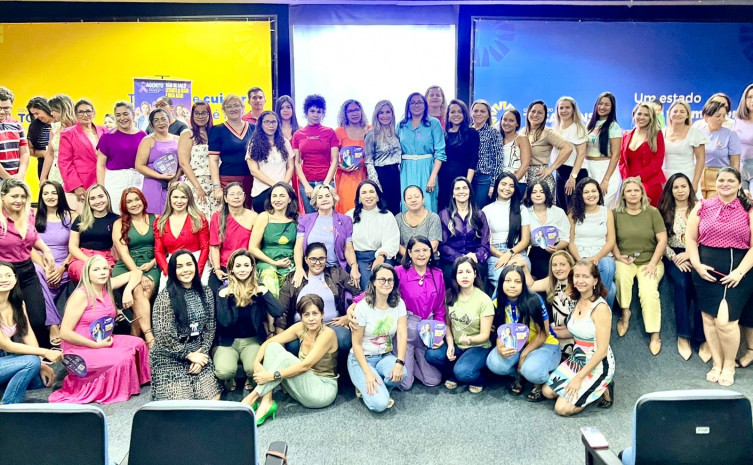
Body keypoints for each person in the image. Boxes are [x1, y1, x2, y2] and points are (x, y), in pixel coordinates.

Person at [49, 255, 151, 404]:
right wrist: (95, 345)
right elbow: (64, 333)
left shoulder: (107, 285)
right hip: (80, 348)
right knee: (124, 357)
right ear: (87, 273)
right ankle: (116, 388)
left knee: (138, 344)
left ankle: (133, 382)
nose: (102, 272)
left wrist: (128, 291)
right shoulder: (80, 295)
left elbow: (136, 273)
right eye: (96, 269)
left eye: (105, 268)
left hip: (102, 339)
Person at [687, 167, 753, 387]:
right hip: (705, 270)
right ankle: (717, 363)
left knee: (725, 321)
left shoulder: (748, 209)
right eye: (721, 180)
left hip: (737, 271)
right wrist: (697, 265)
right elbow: (691, 239)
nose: (725, 184)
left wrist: (739, 272)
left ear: (739, 184)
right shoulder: (702, 206)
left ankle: (729, 365)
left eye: (730, 180)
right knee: (709, 318)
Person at [241, 294, 338, 425]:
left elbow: (306, 365)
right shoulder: (301, 328)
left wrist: (271, 376)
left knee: (286, 358)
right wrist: (256, 362)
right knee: (273, 347)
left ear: (322, 314)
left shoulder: (328, 334)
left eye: (315, 313)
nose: (311, 319)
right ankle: (266, 401)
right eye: (306, 315)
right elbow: (269, 342)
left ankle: (252, 397)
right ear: (301, 317)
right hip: (303, 385)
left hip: (322, 390)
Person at [543, 260, 615, 416]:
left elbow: (602, 351)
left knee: (561, 408)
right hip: (578, 358)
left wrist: (578, 378)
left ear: (595, 280)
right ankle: (588, 389)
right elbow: (576, 331)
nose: (580, 280)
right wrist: (547, 332)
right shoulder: (576, 300)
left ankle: (604, 385)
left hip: (598, 363)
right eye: (577, 276)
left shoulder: (600, 308)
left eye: (585, 276)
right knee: (547, 392)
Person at [150, 250, 221, 400]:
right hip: (169, 356)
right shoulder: (165, 297)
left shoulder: (206, 292)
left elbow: (210, 327)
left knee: (213, 401)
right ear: (173, 270)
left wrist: (202, 355)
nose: (185, 270)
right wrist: (189, 355)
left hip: (198, 350)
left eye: (189, 264)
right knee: (182, 404)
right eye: (179, 266)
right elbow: (163, 336)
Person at [486, 265, 561, 401]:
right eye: (508, 281)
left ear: (523, 284)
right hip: (517, 343)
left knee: (532, 371)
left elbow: (543, 334)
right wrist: (500, 346)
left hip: (544, 344)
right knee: (494, 362)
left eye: (517, 281)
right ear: (501, 283)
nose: (512, 285)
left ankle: (540, 381)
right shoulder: (497, 301)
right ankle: (519, 375)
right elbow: (499, 329)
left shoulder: (534, 300)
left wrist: (523, 355)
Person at [214, 249, 284, 393]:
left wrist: (264, 292)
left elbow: (278, 312)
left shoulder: (258, 290)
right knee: (225, 371)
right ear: (231, 269)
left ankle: (250, 378)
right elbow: (224, 322)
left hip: (252, 341)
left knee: (254, 369)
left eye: (246, 265)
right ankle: (230, 379)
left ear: (252, 267)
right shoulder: (223, 291)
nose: (242, 269)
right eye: (238, 266)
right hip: (228, 342)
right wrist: (223, 298)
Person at [612, 178, 667, 355]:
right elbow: (611, 239)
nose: (633, 194)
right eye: (629, 191)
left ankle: (654, 334)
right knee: (621, 276)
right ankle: (625, 313)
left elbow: (662, 240)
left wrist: (653, 263)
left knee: (648, 291)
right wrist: (618, 255)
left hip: (650, 261)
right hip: (625, 260)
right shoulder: (615, 214)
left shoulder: (652, 212)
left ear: (642, 193)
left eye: (636, 190)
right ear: (623, 195)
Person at [277, 243, 360, 360]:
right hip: (302, 326)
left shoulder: (336, 273)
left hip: (331, 325)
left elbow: (361, 295)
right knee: (292, 345)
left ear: (326, 259)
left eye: (321, 258)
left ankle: (337, 370)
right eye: (313, 259)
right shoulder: (294, 278)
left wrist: (348, 316)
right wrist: (280, 343)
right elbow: (282, 311)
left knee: (344, 339)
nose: (317, 262)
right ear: (306, 259)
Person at [0, 179, 56, 345]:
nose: (20, 200)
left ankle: (42, 355)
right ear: (2, 196)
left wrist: (46, 250)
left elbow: (33, 236)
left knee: (38, 319)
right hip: (4, 274)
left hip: (27, 271)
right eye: (14, 196)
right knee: (7, 323)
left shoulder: (28, 213)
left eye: (23, 196)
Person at [658, 173, 707, 361]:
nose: (680, 191)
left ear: (690, 188)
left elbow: (707, 235)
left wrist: (691, 254)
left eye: (683, 186)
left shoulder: (701, 208)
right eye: (676, 187)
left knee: (700, 284)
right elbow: (660, 240)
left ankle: (702, 338)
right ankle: (684, 335)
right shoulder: (663, 211)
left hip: (698, 253)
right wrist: (675, 257)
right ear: (670, 190)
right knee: (682, 284)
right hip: (674, 256)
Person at [426, 257, 494, 393]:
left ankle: (479, 378)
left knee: (463, 372)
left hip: (478, 346)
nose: (464, 276)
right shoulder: (449, 295)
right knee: (431, 355)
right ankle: (454, 373)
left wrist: (469, 339)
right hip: (457, 345)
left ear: (475, 274)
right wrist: (450, 344)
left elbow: (485, 335)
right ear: (455, 276)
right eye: (460, 272)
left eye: (468, 272)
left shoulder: (484, 300)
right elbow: (448, 325)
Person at [348, 263, 408, 412]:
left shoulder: (399, 304)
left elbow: (402, 334)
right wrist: (368, 373)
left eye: (390, 280)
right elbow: (356, 344)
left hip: (385, 356)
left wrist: (399, 362)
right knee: (380, 405)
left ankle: (378, 389)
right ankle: (371, 387)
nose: (386, 283)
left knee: (402, 373)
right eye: (382, 279)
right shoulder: (362, 307)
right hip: (361, 359)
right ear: (374, 282)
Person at [0, 261, 61, 403]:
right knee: (30, 363)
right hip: (4, 357)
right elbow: (6, 345)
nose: (4, 279)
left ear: (15, 278)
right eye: (0, 276)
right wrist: (44, 353)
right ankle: (9, 405)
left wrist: (40, 364)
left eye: (8, 275)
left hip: (4, 360)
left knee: (38, 380)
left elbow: (27, 334)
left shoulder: (17, 303)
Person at [111, 188, 160, 338]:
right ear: (124, 205)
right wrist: (138, 274)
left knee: (144, 292)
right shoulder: (119, 223)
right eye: (129, 201)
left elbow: (163, 248)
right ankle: (149, 337)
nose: (134, 204)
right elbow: (123, 253)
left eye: (137, 199)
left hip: (152, 264)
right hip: (128, 265)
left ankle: (134, 339)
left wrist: (152, 264)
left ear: (143, 200)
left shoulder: (156, 219)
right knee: (138, 289)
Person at [292, 184, 359, 287]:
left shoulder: (345, 220)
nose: (324, 199)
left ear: (333, 198)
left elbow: (348, 249)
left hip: (335, 270)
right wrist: (299, 268)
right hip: (311, 269)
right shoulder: (305, 220)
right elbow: (298, 247)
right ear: (315, 202)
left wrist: (354, 267)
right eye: (320, 197)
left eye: (327, 196)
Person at [33, 180, 75, 346]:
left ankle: (50, 324)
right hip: (40, 263)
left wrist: (61, 268)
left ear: (60, 195)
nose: (50, 196)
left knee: (43, 285)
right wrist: (46, 268)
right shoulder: (33, 216)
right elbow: (29, 247)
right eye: (46, 193)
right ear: (41, 196)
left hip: (64, 263)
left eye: (54, 193)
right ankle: (53, 324)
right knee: (37, 272)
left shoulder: (71, 216)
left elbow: (75, 247)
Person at [568, 177, 616, 306]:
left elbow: (611, 241)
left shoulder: (607, 212)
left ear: (599, 193)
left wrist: (597, 257)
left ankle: (595, 307)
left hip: (602, 254)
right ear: (580, 195)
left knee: (608, 266)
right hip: (580, 255)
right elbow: (570, 242)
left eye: (594, 191)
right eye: (586, 192)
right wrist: (580, 260)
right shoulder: (572, 214)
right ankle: (596, 308)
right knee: (612, 289)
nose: (591, 195)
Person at [397, 92, 446, 213]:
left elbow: (440, 152)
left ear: (425, 105)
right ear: (408, 105)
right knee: (408, 200)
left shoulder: (433, 123)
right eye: (412, 103)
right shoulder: (401, 125)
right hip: (406, 169)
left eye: (419, 102)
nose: (416, 105)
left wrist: (432, 177)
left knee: (427, 202)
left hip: (427, 168)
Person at [346, 180, 400, 289]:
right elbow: (347, 245)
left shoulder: (387, 216)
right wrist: (354, 266)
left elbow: (391, 242)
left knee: (383, 283)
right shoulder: (350, 216)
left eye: (371, 192)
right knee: (367, 286)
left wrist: (380, 258)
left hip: (383, 256)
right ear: (359, 198)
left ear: (378, 196)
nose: (368, 196)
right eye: (364, 193)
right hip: (359, 259)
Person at [482, 172, 531, 291]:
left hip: (516, 251)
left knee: (521, 281)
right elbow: (485, 243)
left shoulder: (522, 210)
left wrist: (510, 254)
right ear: (497, 185)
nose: (507, 188)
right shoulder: (487, 210)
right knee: (504, 281)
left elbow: (525, 240)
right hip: (495, 253)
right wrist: (503, 256)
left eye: (511, 185)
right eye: (503, 184)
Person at [153, 183, 210, 285]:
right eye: (175, 197)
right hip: (172, 265)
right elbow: (158, 251)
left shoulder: (199, 218)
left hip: (197, 262)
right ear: (169, 199)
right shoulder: (160, 221)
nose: (179, 201)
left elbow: (205, 248)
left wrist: (197, 272)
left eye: (183, 197)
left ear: (189, 199)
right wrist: (168, 271)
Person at [96, 101, 147, 214]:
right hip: (115, 181)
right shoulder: (107, 137)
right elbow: (100, 165)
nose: (122, 118)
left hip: (138, 179)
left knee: (138, 212)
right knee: (116, 213)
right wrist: (101, 189)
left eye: (125, 114)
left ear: (133, 115)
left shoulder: (143, 136)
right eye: (118, 115)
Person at [249, 182, 298, 298]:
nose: (277, 199)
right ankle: (273, 310)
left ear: (290, 199)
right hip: (267, 263)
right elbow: (252, 248)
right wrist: (274, 263)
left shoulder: (297, 219)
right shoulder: (264, 217)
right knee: (270, 278)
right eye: (274, 196)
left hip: (290, 263)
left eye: (282, 196)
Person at [439, 177, 490, 284]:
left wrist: (476, 256)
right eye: (457, 189)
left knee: (477, 276)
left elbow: (485, 244)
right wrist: (460, 258)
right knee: (451, 275)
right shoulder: (444, 215)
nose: (461, 191)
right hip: (451, 261)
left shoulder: (480, 215)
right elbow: (443, 246)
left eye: (465, 188)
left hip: (475, 260)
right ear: (453, 194)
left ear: (470, 192)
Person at [293, 94, 339, 214]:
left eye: (319, 111)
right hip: (307, 184)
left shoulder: (330, 132)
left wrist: (326, 184)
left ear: (323, 113)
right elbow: (296, 163)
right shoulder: (298, 134)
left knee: (328, 217)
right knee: (311, 219)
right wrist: (306, 185)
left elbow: (335, 160)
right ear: (306, 112)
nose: (315, 114)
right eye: (312, 111)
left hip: (326, 181)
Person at [526, 250, 577, 357]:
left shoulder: (578, 285)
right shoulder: (553, 281)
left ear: (571, 266)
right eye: (554, 265)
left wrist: (551, 332)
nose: (558, 268)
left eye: (562, 264)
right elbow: (531, 287)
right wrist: (525, 268)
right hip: (555, 332)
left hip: (574, 336)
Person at [208, 182, 256, 294]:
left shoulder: (254, 217)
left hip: (246, 266)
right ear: (225, 198)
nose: (236, 197)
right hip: (225, 266)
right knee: (213, 292)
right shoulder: (217, 217)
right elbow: (214, 246)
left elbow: (256, 246)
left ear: (244, 196)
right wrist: (217, 269)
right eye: (232, 194)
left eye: (239, 194)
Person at [57, 99, 106, 208]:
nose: (85, 114)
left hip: (104, 182)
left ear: (94, 113)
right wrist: (76, 186)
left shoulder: (104, 131)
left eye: (88, 111)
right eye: (81, 112)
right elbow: (64, 162)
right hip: (82, 185)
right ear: (75, 114)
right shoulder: (68, 133)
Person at [66, 184, 119, 283]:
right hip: (82, 258)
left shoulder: (116, 219)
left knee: (105, 274)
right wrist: (90, 261)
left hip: (105, 258)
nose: (98, 201)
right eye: (92, 198)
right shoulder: (80, 219)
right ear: (88, 201)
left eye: (101, 196)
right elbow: (72, 247)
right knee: (87, 272)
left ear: (107, 197)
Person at [209, 94, 255, 209]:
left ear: (242, 108)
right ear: (224, 110)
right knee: (229, 213)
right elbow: (213, 160)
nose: (233, 109)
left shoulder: (254, 128)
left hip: (252, 178)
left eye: (236, 105)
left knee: (248, 212)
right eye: (229, 106)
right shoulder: (217, 130)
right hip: (227, 178)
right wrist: (217, 187)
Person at [246, 111, 294, 213]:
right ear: (261, 124)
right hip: (262, 191)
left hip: (284, 192)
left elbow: (290, 167)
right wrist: (275, 185)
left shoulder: (285, 142)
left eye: (273, 122)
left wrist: (283, 185)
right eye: (267, 122)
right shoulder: (253, 143)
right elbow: (254, 171)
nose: (270, 125)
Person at [619, 103, 666, 207]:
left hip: (650, 182)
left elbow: (657, 161)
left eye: (646, 115)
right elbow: (622, 161)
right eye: (639, 114)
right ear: (634, 115)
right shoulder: (626, 135)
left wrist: (639, 178)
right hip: (629, 182)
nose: (642, 117)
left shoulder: (656, 134)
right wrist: (627, 180)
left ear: (651, 117)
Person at [135, 108, 180, 215]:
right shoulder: (147, 140)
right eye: (156, 120)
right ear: (151, 124)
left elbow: (184, 163)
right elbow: (139, 165)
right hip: (153, 185)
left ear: (169, 121)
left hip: (175, 183)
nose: (160, 123)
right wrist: (160, 176)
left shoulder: (178, 139)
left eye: (163, 119)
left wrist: (175, 178)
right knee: (154, 217)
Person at [178, 102, 218, 219]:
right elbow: (184, 163)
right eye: (197, 113)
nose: (200, 116)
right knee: (199, 219)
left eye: (204, 113)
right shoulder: (187, 134)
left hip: (215, 183)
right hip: (196, 182)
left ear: (209, 115)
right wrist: (198, 188)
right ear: (192, 115)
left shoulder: (215, 132)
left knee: (216, 220)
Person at [523, 100, 572, 195]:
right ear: (528, 112)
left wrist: (552, 168)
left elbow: (568, 148)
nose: (535, 115)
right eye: (533, 111)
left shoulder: (547, 133)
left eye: (540, 112)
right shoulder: (523, 132)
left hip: (540, 177)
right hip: (524, 177)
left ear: (545, 116)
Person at [524, 180, 571, 279]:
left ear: (547, 194)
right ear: (529, 195)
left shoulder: (558, 212)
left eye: (542, 192)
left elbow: (566, 238)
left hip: (557, 249)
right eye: (534, 192)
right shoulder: (525, 213)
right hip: (537, 251)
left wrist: (556, 248)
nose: (538, 195)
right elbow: (524, 240)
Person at [364, 100, 402, 214]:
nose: (385, 116)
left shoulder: (397, 132)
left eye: (388, 112)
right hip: (381, 175)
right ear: (376, 115)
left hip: (396, 174)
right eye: (381, 113)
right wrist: (375, 184)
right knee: (383, 210)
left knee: (396, 208)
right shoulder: (371, 134)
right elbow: (369, 161)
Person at [440, 100, 479, 209]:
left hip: (463, 178)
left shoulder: (472, 133)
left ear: (464, 114)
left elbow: (473, 159)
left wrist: (467, 183)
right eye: (452, 112)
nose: (456, 114)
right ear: (448, 115)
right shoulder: (444, 134)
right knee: (445, 211)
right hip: (444, 180)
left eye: (459, 111)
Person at [585, 92, 622, 207]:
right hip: (588, 168)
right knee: (589, 207)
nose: (602, 107)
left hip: (606, 170)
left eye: (607, 104)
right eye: (600, 104)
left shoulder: (614, 126)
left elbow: (616, 155)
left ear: (612, 108)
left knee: (602, 206)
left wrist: (606, 180)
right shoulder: (590, 124)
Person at [662, 100, 707, 193]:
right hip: (666, 178)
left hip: (688, 177)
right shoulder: (661, 132)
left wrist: (695, 182)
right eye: (675, 111)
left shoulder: (695, 133)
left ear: (687, 115)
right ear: (669, 114)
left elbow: (700, 159)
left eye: (682, 112)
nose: (678, 114)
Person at [552, 96, 589, 211]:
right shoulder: (557, 129)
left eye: (567, 107)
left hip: (574, 173)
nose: (564, 110)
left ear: (573, 110)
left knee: (574, 210)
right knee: (561, 209)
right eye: (561, 108)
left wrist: (573, 177)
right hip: (560, 173)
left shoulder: (578, 128)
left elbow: (581, 154)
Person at [699, 99, 741, 199]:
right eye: (718, 116)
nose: (721, 119)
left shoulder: (731, 134)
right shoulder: (697, 133)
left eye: (723, 116)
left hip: (721, 178)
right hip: (699, 177)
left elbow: (735, 163)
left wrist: (733, 183)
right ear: (706, 116)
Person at [334, 99, 369, 214]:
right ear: (345, 114)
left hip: (367, 175)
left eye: (357, 110)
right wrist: (340, 166)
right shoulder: (339, 131)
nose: (354, 113)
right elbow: (332, 158)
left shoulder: (370, 130)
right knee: (348, 210)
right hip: (346, 178)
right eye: (350, 111)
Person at [471, 100, 505, 207]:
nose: (478, 114)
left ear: (488, 115)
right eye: (476, 111)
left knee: (479, 210)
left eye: (482, 111)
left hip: (484, 179)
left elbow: (498, 160)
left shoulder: (493, 132)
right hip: (467, 176)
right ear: (471, 113)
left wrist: (493, 185)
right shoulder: (466, 131)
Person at [395, 185, 442, 257]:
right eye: (409, 198)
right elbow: (396, 244)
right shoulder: (398, 218)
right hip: (405, 260)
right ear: (404, 202)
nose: (413, 200)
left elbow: (433, 246)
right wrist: (410, 258)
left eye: (417, 197)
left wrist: (419, 258)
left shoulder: (433, 218)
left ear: (423, 199)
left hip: (428, 259)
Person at [41, 94, 76, 189]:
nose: (51, 114)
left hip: (74, 174)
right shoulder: (54, 128)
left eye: (53, 110)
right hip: (55, 173)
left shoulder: (79, 128)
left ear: (62, 110)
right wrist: (43, 178)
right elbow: (50, 154)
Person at [499, 108, 531, 197]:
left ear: (517, 123)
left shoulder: (522, 138)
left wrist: (511, 183)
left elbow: (525, 164)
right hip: (499, 183)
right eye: (505, 119)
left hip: (517, 183)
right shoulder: (497, 138)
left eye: (511, 121)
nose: (507, 123)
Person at [0, 87, 30, 181]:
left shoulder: (16, 124)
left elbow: (25, 152)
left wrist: (21, 174)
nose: (2, 112)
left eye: (6, 108)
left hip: (16, 178)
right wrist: (8, 179)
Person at [26, 96, 53, 180]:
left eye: (37, 113)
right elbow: (29, 150)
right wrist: (43, 153)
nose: (36, 117)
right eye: (33, 114)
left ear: (46, 108)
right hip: (44, 170)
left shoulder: (62, 123)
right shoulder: (34, 126)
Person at [734, 83, 753, 194]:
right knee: (742, 200)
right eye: (750, 97)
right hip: (739, 166)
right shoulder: (738, 119)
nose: (752, 100)